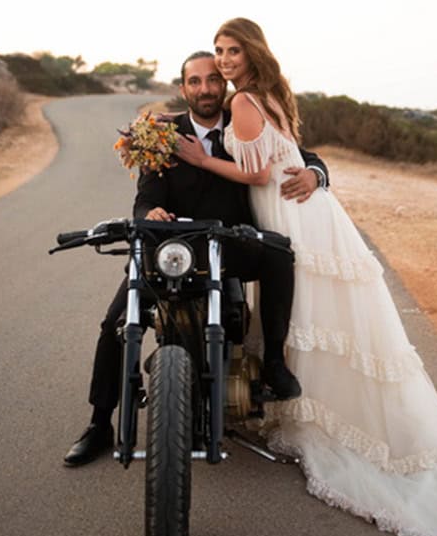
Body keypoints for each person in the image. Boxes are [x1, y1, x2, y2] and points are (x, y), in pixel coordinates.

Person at [177, 18, 437, 536]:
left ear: (251, 53)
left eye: (233, 51)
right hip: (308, 211)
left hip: (289, 214)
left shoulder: (247, 101)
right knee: (322, 314)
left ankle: (314, 408)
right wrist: (312, 174)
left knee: (313, 314)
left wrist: (204, 159)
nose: (225, 61)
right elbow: (289, 157)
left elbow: (257, 176)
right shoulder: (269, 94)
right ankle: (307, 397)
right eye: (219, 52)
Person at [64, 50, 329, 466]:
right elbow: (145, 198)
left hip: (230, 245)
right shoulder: (161, 132)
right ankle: (99, 422)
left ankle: (275, 363)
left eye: (211, 80)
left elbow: (294, 153)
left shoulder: (246, 120)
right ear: (183, 87)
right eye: (194, 81)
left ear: (222, 85)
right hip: (173, 248)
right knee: (115, 323)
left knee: (279, 254)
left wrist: (316, 174)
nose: (204, 88)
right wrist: (148, 214)